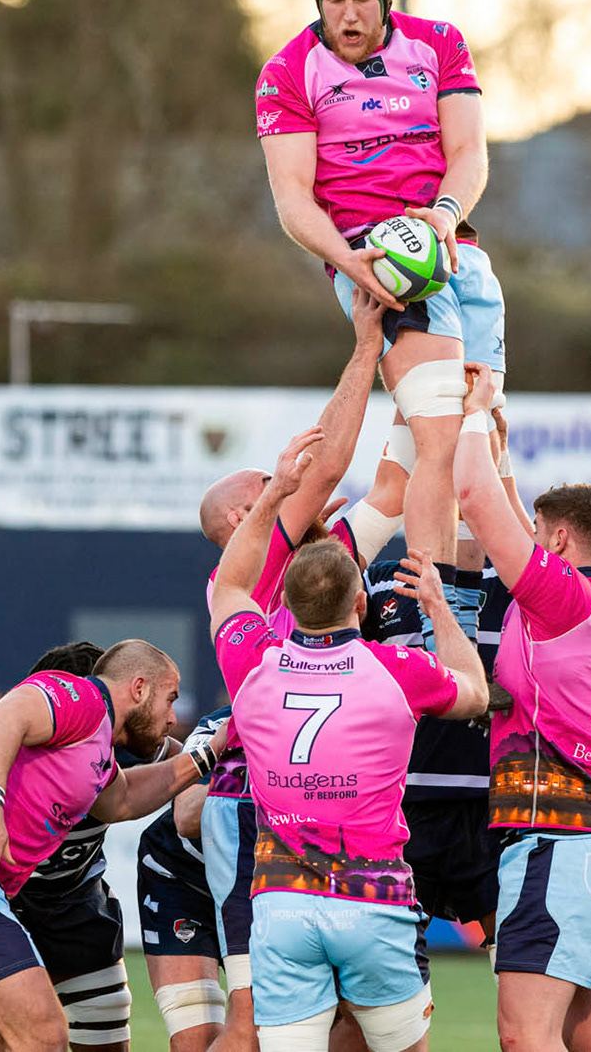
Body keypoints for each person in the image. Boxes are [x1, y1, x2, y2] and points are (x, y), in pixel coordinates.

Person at [357, 330, 591, 969]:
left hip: (501, 810)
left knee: (526, 981)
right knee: (377, 993)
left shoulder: (529, 586)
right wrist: (418, 407)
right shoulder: (385, 583)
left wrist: (488, 426)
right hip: (404, 808)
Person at [210, 423, 490, 1052]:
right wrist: (440, 610)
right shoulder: (397, 671)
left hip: (281, 901)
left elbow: (230, 586)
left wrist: (275, 493)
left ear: (282, 601)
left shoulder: (254, 659)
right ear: (361, 602)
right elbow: (473, 690)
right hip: (374, 897)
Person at [197, 290, 404, 1050]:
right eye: (264, 484)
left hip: (313, 809)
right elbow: (328, 466)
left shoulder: (320, 561)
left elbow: (389, 490)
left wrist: (422, 397)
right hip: (259, 807)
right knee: (253, 1021)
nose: (282, 477)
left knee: (343, 1014)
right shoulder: (249, 568)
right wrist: (366, 347)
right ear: (237, 522)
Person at [257, 0, 499, 573]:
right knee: (447, 443)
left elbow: (469, 153)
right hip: (383, 266)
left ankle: (316, 586)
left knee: (481, 451)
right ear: (317, 0)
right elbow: (293, 198)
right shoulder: (288, 71)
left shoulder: (439, 43)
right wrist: (348, 258)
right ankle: (443, 617)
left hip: (456, 251)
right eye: (334, 1)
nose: (349, 15)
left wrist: (446, 216)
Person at [0, 639, 218, 1052]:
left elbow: (124, 799)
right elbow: (0, 716)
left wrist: (211, 753)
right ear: (138, 687)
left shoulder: (96, 754)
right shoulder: (84, 698)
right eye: (170, 699)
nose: (174, 717)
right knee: (44, 1036)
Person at [451, 362, 591, 1052]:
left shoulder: (561, 598)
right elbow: (508, 503)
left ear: (560, 542)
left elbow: (475, 497)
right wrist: (502, 445)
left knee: (525, 1037)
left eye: (538, 532)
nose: (527, 544)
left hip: (559, 844)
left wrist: (475, 409)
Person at [7, 640, 152, 1052]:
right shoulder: (9, 752)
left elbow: (174, 764)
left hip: (77, 908)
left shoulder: (125, 745)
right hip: (3, 906)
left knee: (106, 1030)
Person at [135, 707, 231, 1052]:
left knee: (265, 1031)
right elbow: (188, 816)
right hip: (184, 877)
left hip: (266, 888)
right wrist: (274, 783)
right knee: (195, 1035)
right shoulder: (221, 724)